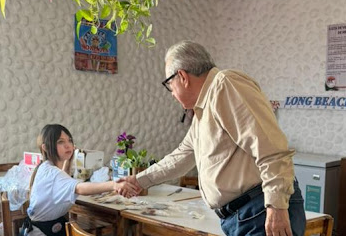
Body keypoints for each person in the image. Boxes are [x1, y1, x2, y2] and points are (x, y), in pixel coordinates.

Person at [118, 41, 305, 236]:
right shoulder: (202, 110)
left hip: (260, 211)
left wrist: (276, 206)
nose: (172, 94)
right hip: (243, 215)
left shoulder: (225, 85)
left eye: (169, 85)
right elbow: (180, 157)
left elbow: (271, 148)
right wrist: (138, 181)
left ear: (182, 77)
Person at [25, 124, 139, 236]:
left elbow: (62, 182)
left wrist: (68, 161)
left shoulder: (46, 167)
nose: (68, 145)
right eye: (60, 142)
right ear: (45, 147)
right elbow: (79, 188)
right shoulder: (52, 172)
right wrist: (114, 185)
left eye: (69, 140)